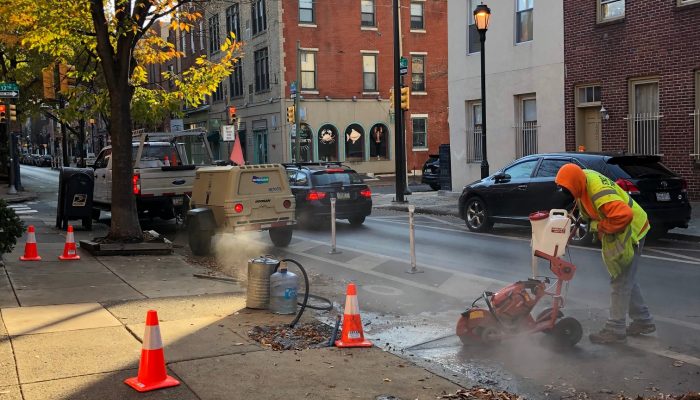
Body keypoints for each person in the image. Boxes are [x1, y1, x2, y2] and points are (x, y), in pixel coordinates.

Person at [555, 163, 654, 344]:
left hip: (632, 231)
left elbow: (624, 215)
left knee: (620, 280)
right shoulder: (581, 180)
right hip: (627, 229)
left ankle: (615, 329)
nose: (566, 192)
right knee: (626, 279)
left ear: (576, 183)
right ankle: (643, 321)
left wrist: (600, 227)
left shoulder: (599, 191)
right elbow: (585, 204)